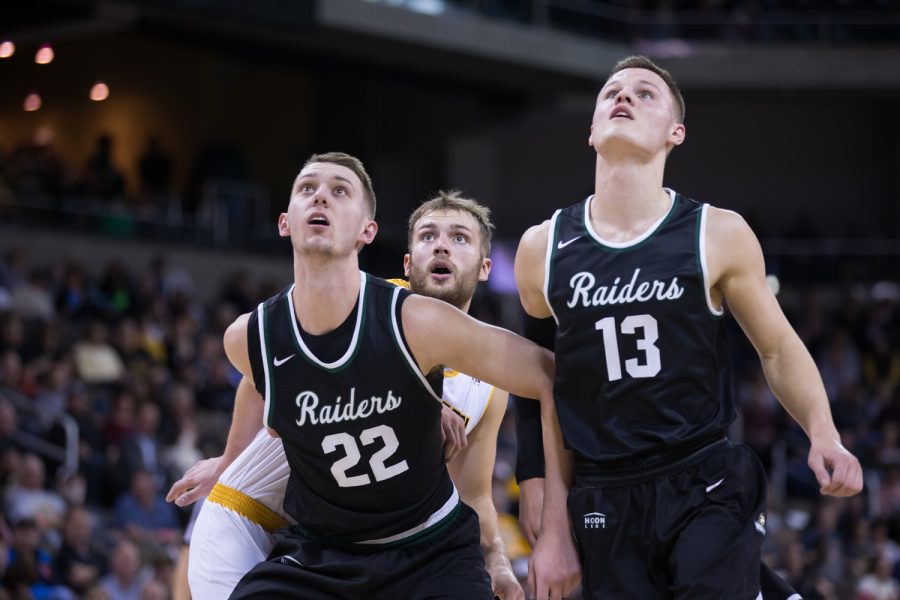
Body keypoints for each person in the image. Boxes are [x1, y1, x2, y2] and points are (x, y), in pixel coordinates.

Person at [512, 55, 863, 599]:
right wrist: (541, 496)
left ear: (676, 133)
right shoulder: (542, 248)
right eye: (612, 92)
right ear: (591, 130)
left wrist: (823, 432)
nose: (624, 97)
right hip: (604, 490)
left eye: (645, 93)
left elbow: (775, 348)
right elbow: (537, 383)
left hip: (704, 475)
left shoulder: (717, 232)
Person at [166, 153, 579, 600]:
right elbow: (260, 373)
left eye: (339, 190)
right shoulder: (264, 334)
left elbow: (481, 483)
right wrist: (228, 459)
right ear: (284, 222)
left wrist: (527, 525)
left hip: (426, 548)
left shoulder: (439, 338)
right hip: (310, 537)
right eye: (308, 188)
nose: (321, 195)